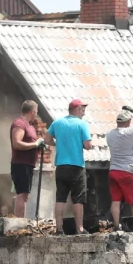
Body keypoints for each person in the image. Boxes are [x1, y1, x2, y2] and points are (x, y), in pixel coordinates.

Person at [46, 98, 93, 234]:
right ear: (77, 110)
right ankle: (80, 229)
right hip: (76, 166)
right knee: (78, 198)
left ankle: (59, 229)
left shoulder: (57, 123)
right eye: (83, 110)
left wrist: (58, 143)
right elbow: (88, 145)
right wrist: (89, 144)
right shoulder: (81, 124)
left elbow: (47, 140)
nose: (84, 113)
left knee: (60, 198)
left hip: (61, 166)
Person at [105, 105, 133, 232]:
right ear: (128, 122)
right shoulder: (132, 132)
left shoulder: (109, 134)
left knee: (116, 200)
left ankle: (115, 226)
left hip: (114, 170)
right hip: (129, 171)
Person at [10, 100, 46, 218]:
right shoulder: (19, 124)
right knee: (22, 194)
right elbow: (17, 143)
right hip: (21, 164)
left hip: (28, 164)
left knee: (25, 194)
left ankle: (21, 221)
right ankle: (19, 223)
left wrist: (39, 146)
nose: (36, 114)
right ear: (32, 111)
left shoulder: (30, 126)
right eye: (36, 112)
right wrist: (35, 145)